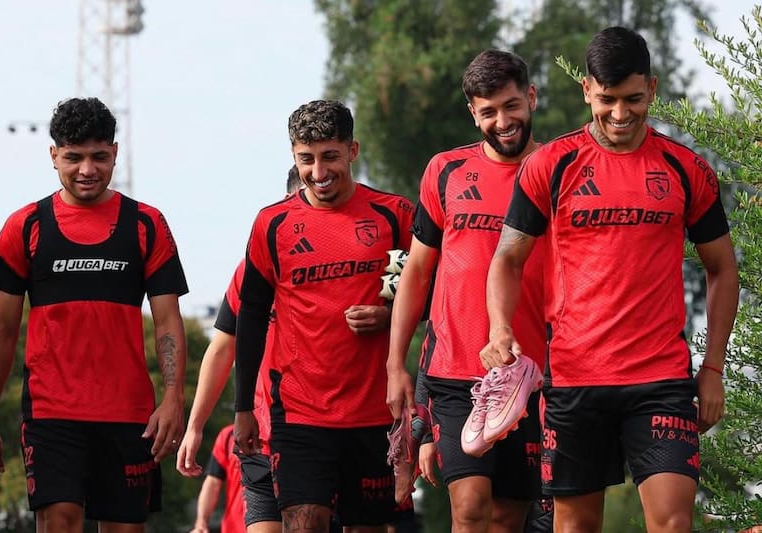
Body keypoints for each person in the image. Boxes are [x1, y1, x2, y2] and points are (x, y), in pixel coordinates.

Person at [480, 27, 739, 533]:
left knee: (673, 523)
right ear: (586, 91)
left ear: (653, 89)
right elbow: (507, 260)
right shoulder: (550, 166)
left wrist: (712, 368)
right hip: (576, 379)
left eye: (633, 100)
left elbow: (722, 267)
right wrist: (499, 328)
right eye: (607, 100)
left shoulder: (686, 169)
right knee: (575, 527)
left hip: (660, 381)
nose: (620, 115)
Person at [0, 97, 189, 531]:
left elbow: (167, 320)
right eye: (73, 157)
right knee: (61, 520)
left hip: (129, 414)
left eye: (98, 157)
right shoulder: (25, 226)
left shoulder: (147, 225)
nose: (87, 169)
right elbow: (2, 330)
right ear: (54, 156)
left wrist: (172, 397)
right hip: (53, 413)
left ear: (114, 153)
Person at [386, 49, 549, 532]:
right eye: (489, 111)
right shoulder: (446, 171)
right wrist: (397, 363)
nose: (503, 121)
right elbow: (416, 271)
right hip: (458, 371)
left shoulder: (557, 170)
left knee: (506, 516)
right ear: (472, 114)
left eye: (512, 105)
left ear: (532, 98)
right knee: (471, 507)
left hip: (534, 371)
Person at [233, 99, 415, 533]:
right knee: (304, 523)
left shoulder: (393, 217)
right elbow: (252, 316)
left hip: (374, 410)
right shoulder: (271, 224)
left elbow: (416, 290)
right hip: (299, 413)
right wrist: (243, 408)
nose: (319, 172)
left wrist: (388, 315)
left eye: (330, 156)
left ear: (352, 151)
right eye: (306, 159)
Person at [178, 166, 302, 533]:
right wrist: (195, 426)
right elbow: (221, 349)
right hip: (262, 431)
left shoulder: (347, 260)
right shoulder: (251, 268)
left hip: (325, 429)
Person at [190, 425, 245, 533]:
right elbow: (213, 482)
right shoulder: (229, 435)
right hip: (233, 528)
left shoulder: (283, 432)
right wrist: (201, 523)